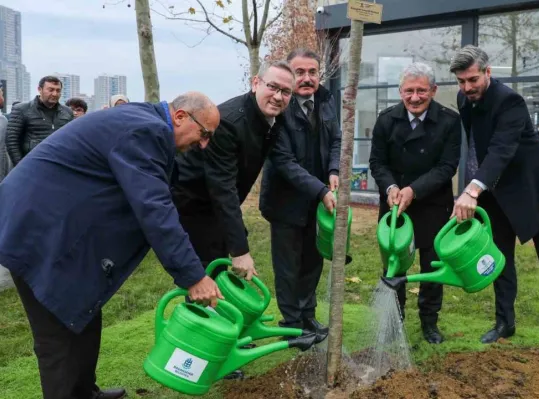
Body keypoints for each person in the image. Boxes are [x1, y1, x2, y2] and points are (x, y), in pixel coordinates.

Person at [0, 92, 225, 399]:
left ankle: (84, 393)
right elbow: (154, 209)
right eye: (204, 134)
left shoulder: (144, 122)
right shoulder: (147, 130)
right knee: (58, 337)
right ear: (181, 116)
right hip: (37, 234)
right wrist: (193, 277)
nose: (203, 144)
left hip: (56, 227)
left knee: (83, 314)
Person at [449, 45, 539, 345]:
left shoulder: (510, 101)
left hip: (531, 191)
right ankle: (504, 323)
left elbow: (501, 149)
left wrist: (471, 189)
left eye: (473, 80)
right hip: (494, 193)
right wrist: (475, 191)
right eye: (461, 81)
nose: (467, 87)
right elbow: (475, 146)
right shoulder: (464, 99)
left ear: (488, 72)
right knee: (500, 260)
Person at [172, 60, 295, 283]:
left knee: (216, 269)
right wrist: (240, 251)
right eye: (273, 87)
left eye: (286, 91)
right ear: (256, 83)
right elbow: (223, 189)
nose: (278, 96)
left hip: (217, 204)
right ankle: (199, 313)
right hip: (192, 201)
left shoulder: (273, 118)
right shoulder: (229, 122)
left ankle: (210, 308)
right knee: (204, 273)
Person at [369, 62, 462, 344]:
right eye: (409, 91)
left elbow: (447, 166)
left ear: (433, 91)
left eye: (422, 90)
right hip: (395, 206)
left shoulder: (449, 120)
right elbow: (377, 162)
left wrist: (414, 190)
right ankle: (393, 322)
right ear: (400, 92)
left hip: (433, 204)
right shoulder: (386, 120)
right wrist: (391, 187)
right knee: (394, 266)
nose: (415, 97)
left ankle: (429, 322)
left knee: (432, 267)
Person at [259, 49, 341, 334]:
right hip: (286, 203)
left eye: (313, 72)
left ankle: (308, 315)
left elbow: (336, 141)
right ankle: (292, 324)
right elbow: (284, 162)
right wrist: (320, 190)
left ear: (320, 74)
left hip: (318, 202)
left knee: (312, 260)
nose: (307, 78)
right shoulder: (279, 107)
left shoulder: (327, 101)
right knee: (288, 266)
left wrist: (334, 171)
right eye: (300, 73)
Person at [6, 76, 74, 166]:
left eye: (58, 90)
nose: (55, 94)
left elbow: (71, 140)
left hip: (59, 165)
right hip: (31, 164)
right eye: (51, 90)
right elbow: (11, 140)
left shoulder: (67, 112)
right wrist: (21, 166)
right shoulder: (22, 109)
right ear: (39, 89)